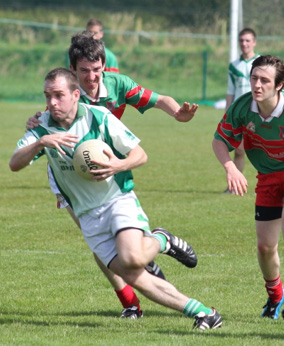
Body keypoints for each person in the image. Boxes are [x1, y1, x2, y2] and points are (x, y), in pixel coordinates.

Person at [10, 68, 223, 330]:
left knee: (133, 258)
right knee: (135, 276)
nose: (52, 102)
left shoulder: (98, 117)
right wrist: (41, 142)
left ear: (76, 95)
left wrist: (117, 166)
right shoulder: (41, 127)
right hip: (88, 215)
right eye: (47, 95)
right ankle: (204, 313)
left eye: (58, 95)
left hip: (117, 200)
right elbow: (14, 164)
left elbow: (140, 155)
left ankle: (160, 239)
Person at [27, 32, 199, 319]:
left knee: (115, 239)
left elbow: (158, 99)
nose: (92, 77)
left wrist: (177, 113)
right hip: (68, 176)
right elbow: (45, 120)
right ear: (73, 70)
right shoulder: (66, 94)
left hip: (107, 167)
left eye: (97, 70)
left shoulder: (118, 85)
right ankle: (130, 302)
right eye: (84, 71)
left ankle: (156, 243)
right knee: (95, 241)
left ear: (105, 65)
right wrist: (32, 121)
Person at [213, 55, 284, 322]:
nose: (257, 85)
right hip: (267, 175)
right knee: (265, 246)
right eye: (254, 78)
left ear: (280, 85)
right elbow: (220, 140)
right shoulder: (242, 108)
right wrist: (230, 167)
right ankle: (275, 296)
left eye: (265, 80)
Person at [223, 28, 260, 194]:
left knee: (266, 148)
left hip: (259, 111)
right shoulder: (234, 66)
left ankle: (273, 184)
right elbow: (231, 90)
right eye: (241, 40)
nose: (244, 44)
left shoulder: (261, 62)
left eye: (247, 40)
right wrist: (227, 113)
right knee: (239, 149)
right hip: (240, 112)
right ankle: (235, 187)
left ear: (254, 42)